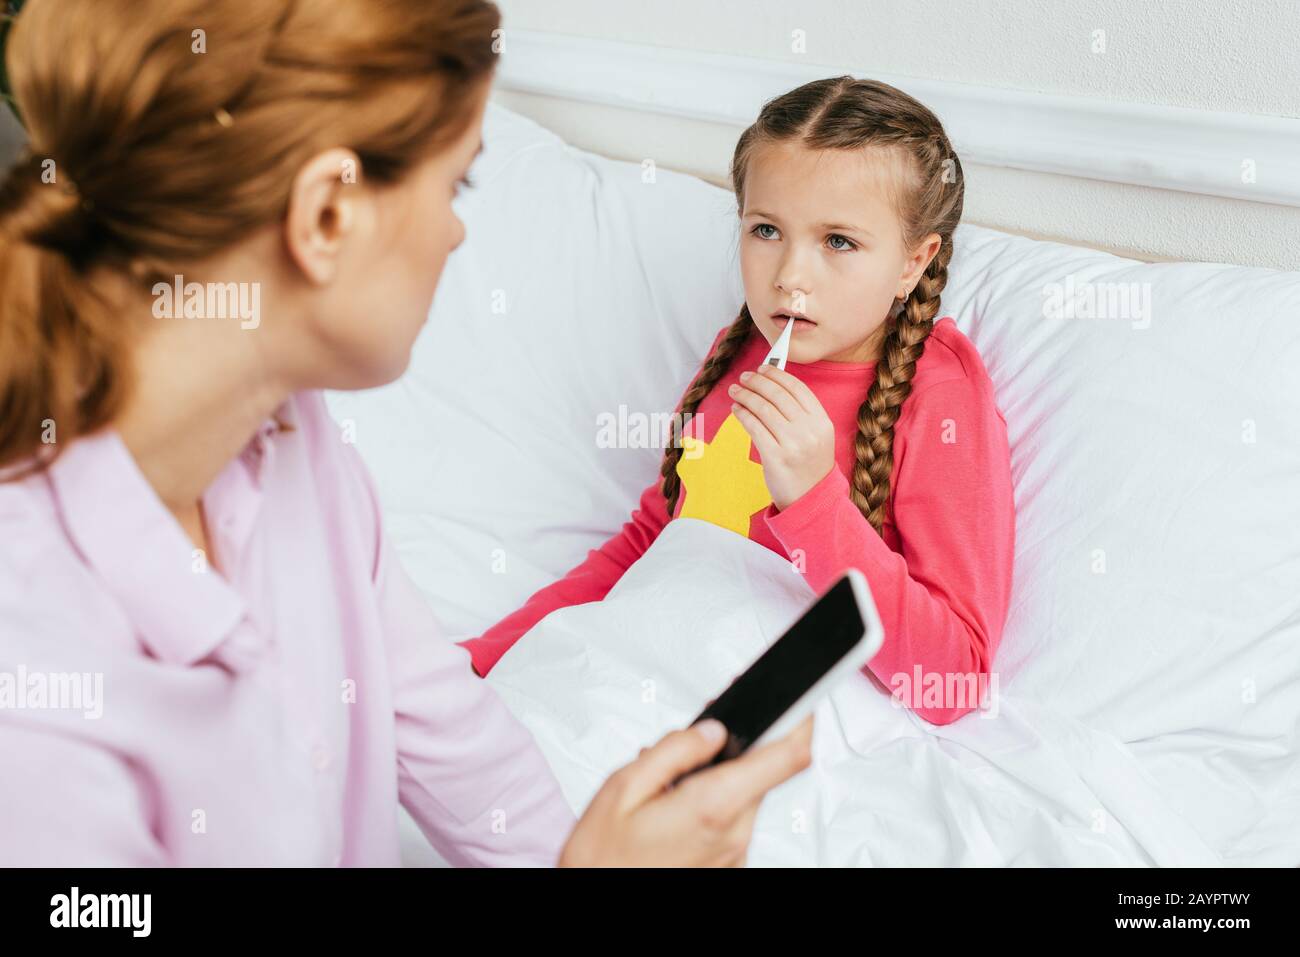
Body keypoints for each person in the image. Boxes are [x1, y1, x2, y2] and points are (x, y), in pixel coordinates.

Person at [0, 0, 811, 867]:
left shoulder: (294, 439)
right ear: (325, 218)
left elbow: (450, 738)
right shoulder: (35, 686)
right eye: (454, 184)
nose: (458, 230)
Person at [462, 78, 1015, 728]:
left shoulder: (938, 393)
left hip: (788, 724)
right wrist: (479, 664)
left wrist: (814, 502)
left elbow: (953, 682)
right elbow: (651, 540)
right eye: (766, 229)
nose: (790, 275)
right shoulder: (742, 350)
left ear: (912, 263)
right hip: (639, 684)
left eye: (838, 241)